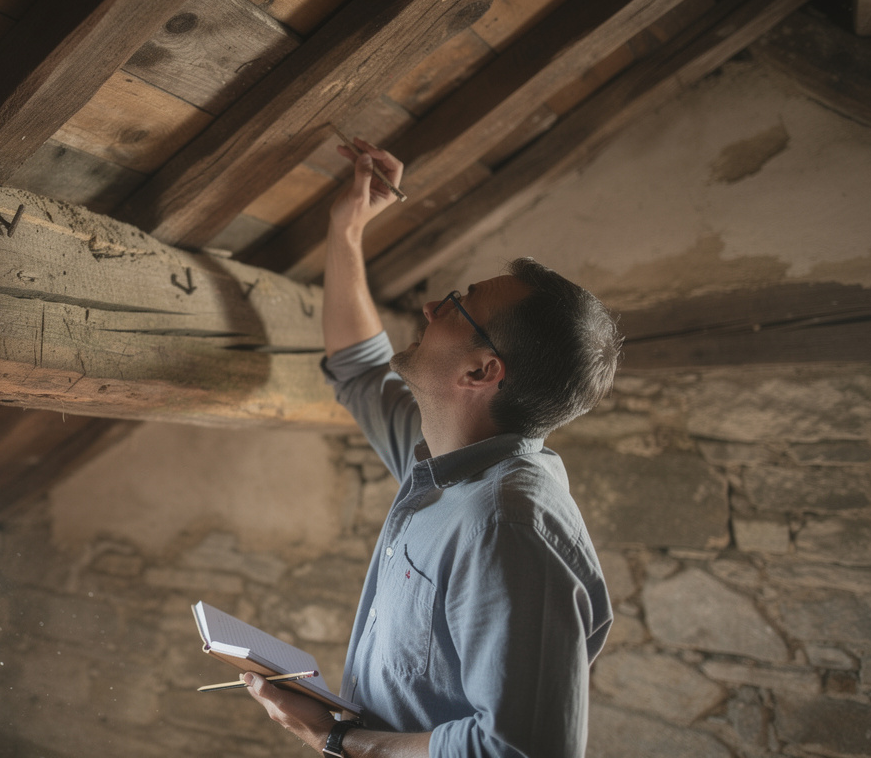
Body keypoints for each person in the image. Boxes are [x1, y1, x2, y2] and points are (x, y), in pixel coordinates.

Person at [243, 139, 621, 757]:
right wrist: (346, 229)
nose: (428, 305)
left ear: (480, 372)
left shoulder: (506, 522)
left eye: (455, 305)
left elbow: (520, 752)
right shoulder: (444, 463)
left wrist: (337, 738)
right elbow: (360, 369)